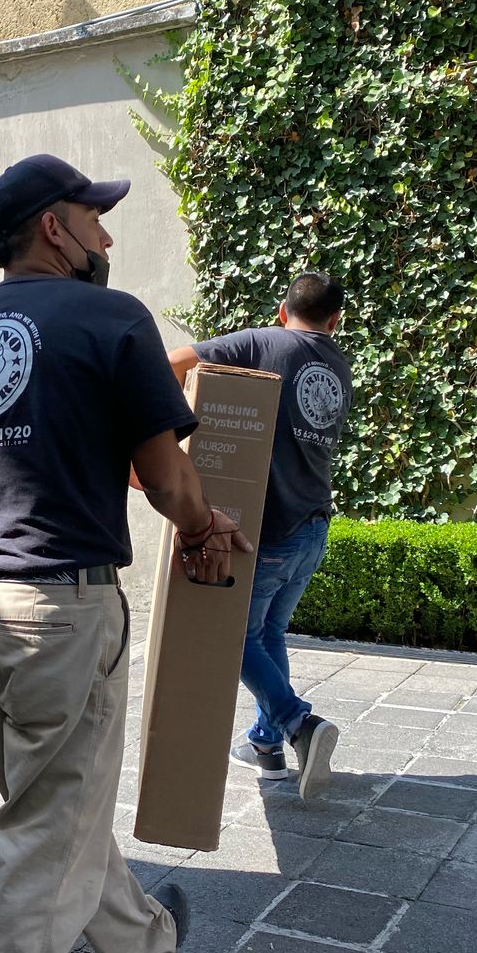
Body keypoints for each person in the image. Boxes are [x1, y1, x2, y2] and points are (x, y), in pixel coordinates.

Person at [0, 153, 252, 953]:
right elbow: (169, 481)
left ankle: (147, 951)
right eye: (93, 216)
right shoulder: (114, 318)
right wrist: (206, 525)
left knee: (54, 810)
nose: (107, 234)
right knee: (40, 839)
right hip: (62, 616)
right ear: (53, 228)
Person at [166, 271, 353, 799]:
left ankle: (301, 725)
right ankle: (266, 744)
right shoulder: (338, 365)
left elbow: (171, 364)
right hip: (313, 527)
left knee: (236, 640)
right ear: (335, 321)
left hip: (270, 531)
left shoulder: (260, 342)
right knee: (270, 634)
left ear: (281, 309)